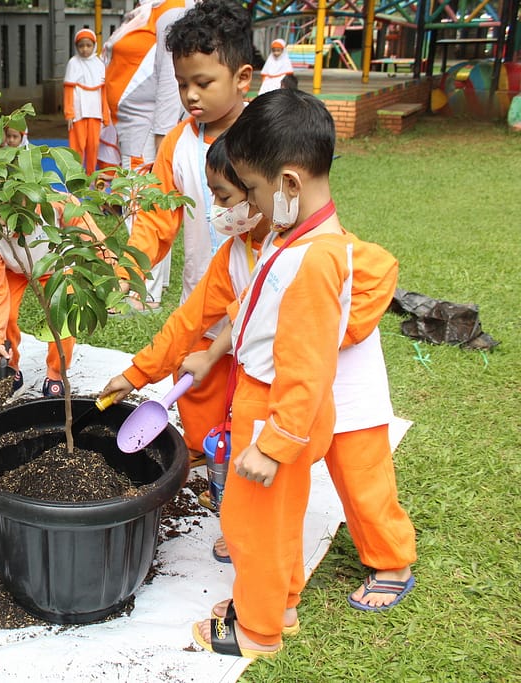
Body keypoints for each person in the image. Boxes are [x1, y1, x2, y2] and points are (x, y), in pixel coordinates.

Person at [185, 88, 356, 659]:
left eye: (253, 189)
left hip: (277, 409)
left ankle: (255, 630)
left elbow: (307, 365)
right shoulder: (301, 236)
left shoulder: (313, 260)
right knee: (280, 517)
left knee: (248, 524)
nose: (250, 203)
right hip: (284, 409)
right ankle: (280, 601)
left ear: (287, 184)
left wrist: (273, 443)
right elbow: (260, 310)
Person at [122, 0, 254, 461]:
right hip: (202, 293)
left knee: (252, 382)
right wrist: (131, 268)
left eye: (203, 83)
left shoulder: (266, 136)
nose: (191, 95)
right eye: (182, 84)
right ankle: (201, 448)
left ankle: (243, 456)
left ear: (242, 78)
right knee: (195, 380)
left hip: (258, 294)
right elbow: (157, 217)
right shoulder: (178, 142)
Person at [101, 0, 189, 306]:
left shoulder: (173, 10)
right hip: (131, 129)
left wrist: (162, 141)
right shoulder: (150, 9)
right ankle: (151, 287)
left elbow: (169, 81)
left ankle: (144, 292)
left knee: (142, 208)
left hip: (147, 133)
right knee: (139, 205)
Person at [0, 194, 105, 398]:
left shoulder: (55, 204)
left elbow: (93, 237)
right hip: (14, 271)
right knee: (8, 316)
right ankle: (10, 367)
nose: (8, 228)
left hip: (56, 265)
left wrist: (110, 267)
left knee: (64, 315)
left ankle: (56, 372)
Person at [64, 28, 109, 174]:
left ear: (94, 45)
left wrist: (106, 114)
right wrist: (69, 112)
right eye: (81, 45)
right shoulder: (73, 63)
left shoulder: (99, 64)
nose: (84, 49)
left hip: (95, 111)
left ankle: (91, 175)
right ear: (76, 47)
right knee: (77, 145)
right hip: (78, 111)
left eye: (88, 45)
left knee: (93, 145)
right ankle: (76, 175)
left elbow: (103, 92)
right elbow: (69, 90)